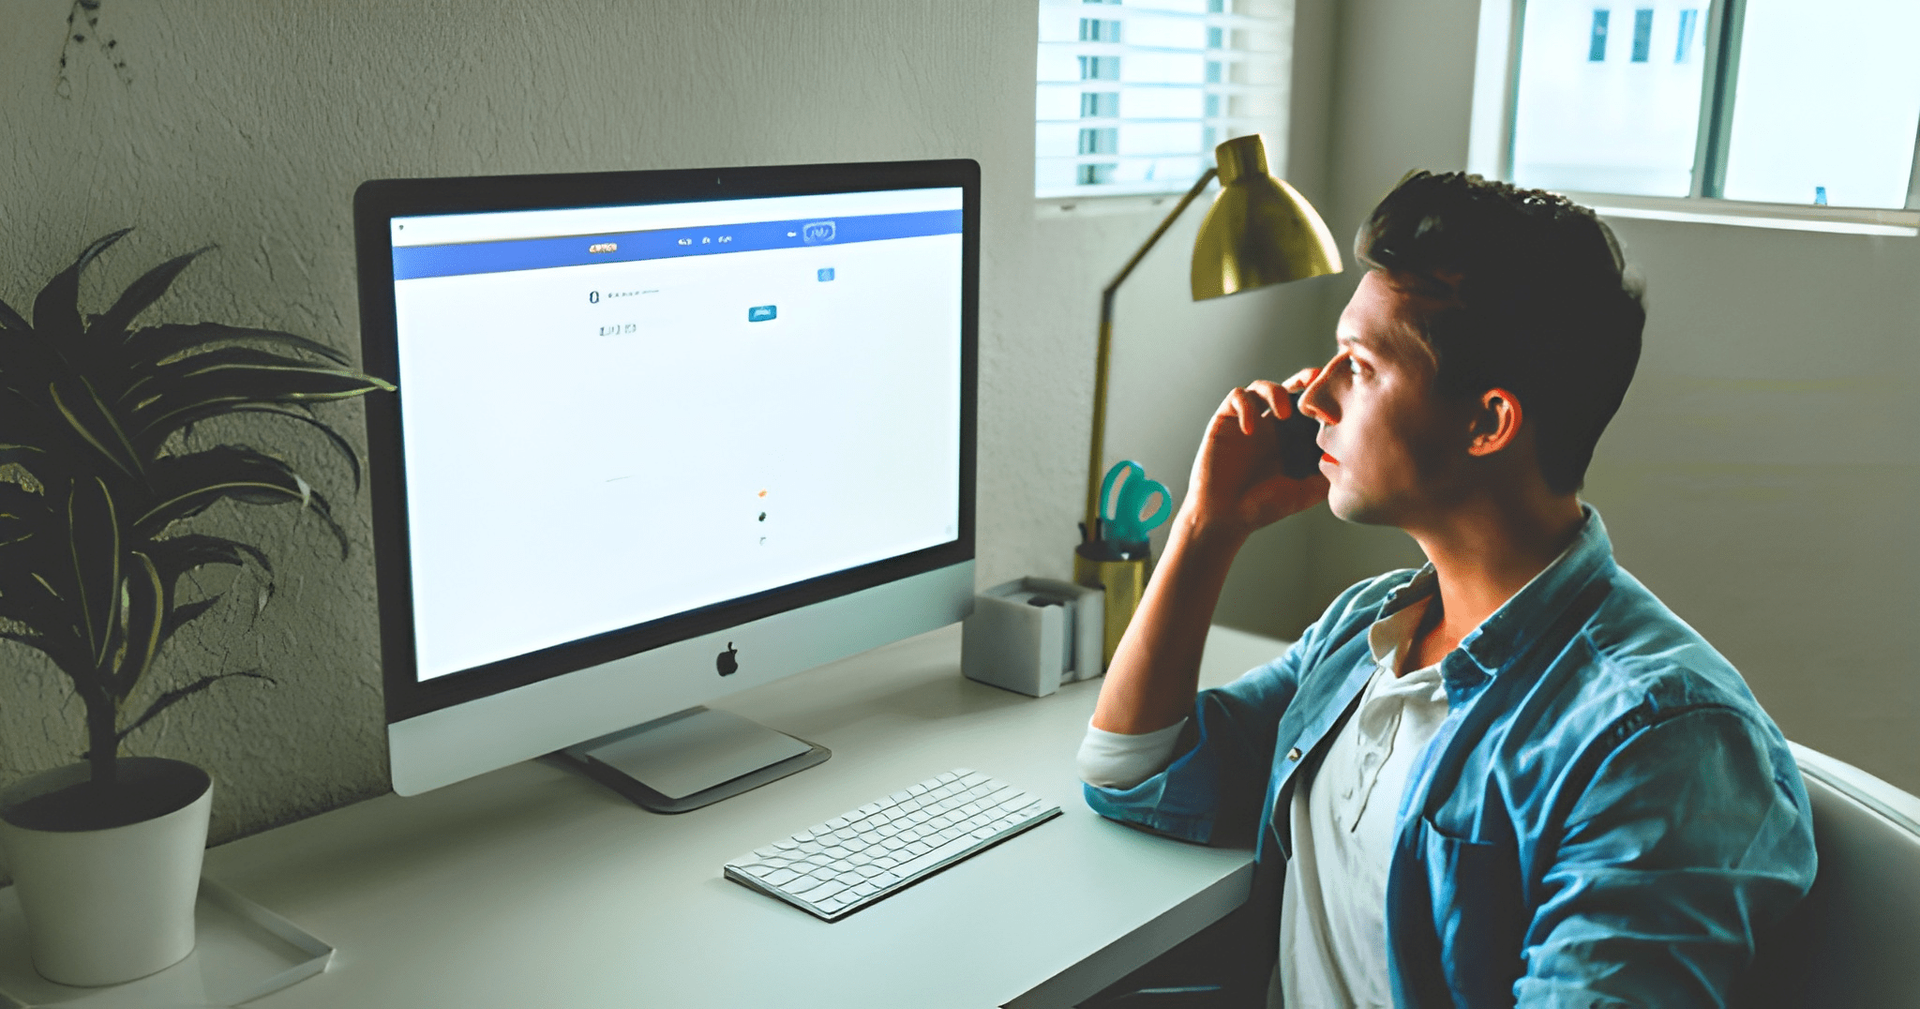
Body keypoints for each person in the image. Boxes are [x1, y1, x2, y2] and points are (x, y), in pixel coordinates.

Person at [1077, 172, 1816, 1008]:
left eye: (1359, 365)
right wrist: (1210, 525)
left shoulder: (1659, 744)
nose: (1314, 394)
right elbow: (1132, 769)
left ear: (1489, 422)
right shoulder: (1373, 628)